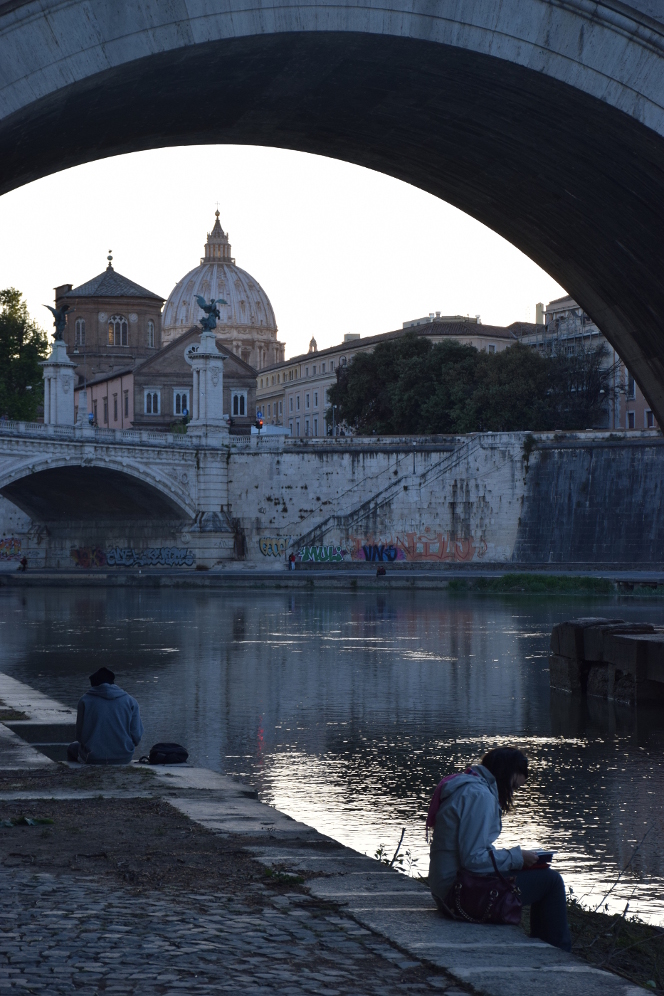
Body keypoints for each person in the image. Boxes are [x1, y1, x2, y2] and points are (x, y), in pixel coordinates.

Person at [427, 746, 571, 951]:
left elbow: (471, 853)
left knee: (539, 876)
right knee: (551, 881)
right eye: (513, 787)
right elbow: (473, 860)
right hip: (456, 895)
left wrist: (517, 859)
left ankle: (545, 946)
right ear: (506, 775)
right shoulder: (480, 796)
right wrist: (516, 857)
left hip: (447, 889)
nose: (512, 794)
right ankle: (558, 952)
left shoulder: (467, 786)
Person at [67, 667, 144, 765]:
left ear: (93, 685)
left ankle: (76, 772)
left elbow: (79, 735)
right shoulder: (130, 701)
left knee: (72, 748)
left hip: (93, 757)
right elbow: (136, 735)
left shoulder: (85, 700)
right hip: (124, 757)